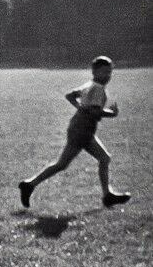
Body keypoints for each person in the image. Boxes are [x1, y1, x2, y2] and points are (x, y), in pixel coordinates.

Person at [19, 56, 131, 209]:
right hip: (82, 131)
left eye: (110, 72)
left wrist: (79, 107)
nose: (108, 76)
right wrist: (112, 113)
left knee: (101, 159)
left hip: (80, 128)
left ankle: (107, 196)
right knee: (64, 163)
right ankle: (29, 184)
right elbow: (94, 112)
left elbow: (70, 95)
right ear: (95, 71)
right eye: (105, 72)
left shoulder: (89, 85)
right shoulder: (97, 88)